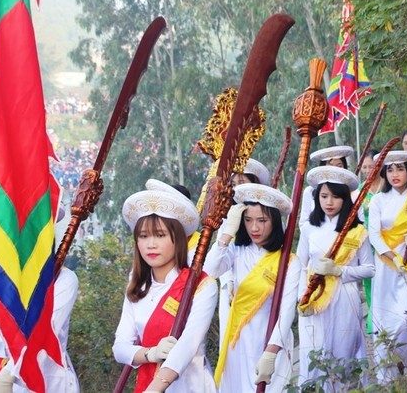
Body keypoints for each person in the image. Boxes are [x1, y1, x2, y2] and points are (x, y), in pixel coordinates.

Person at [114, 179, 218, 392]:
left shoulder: (202, 286)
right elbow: (120, 347)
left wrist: (156, 387)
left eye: (160, 235)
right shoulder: (136, 286)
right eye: (143, 236)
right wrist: (150, 353)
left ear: (177, 239)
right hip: (146, 381)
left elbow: (188, 345)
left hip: (189, 386)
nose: (150, 244)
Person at [203, 184, 299, 393]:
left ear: (274, 222)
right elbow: (209, 271)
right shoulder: (236, 252)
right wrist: (226, 233)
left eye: (262, 221)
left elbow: (287, 311)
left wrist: (272, 352)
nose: (254, 228)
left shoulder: (289, 262)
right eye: (248, 220)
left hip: (270, 342)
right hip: (237, 342)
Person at [0, 206, 79, 393]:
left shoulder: (64, 280)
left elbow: (44, 333)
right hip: (5, 376)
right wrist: (17, 342)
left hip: (50, 383)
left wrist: (11, 340)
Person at [296, 166, 374, 391]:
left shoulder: (357, 231)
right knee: (315, 354)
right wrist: (302, 298)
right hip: (314, 299)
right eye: (324, 196)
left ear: (345, 199)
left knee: (343, 356)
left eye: (336, 196)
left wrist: (341, 271)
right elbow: (300, 266)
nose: (329, 202)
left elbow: (370, 269)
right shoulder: (309, 228)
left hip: (345, 299)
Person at [367, 150, 407, 383]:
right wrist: (393, 257)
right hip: (386, 264)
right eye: (390, 169)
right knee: (385, 318)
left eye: (400, 169)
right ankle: (387, 374)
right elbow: (374, 235)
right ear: (384, 173)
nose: (395, 174)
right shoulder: (377, 200)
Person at [215, 159, 271, 349]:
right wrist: (229, 281)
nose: (238, 188)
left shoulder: (270, 214)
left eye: (243, 183)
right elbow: (219, 258)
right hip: (234, 290)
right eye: (234, 184)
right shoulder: (228, 217)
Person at [299, 146, 354, 231]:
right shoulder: (310, 191)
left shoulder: (353, 192)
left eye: (339, 166)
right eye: (324, 196)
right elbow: (304, 222)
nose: (335, 169)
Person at [358, 149, 383, 334]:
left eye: (371, 166)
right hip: (366, 243)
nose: (368, 170)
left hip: (386, 240)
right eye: (365, 167)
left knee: (384, 280)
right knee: (369, 282)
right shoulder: (360, 190)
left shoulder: (386, 186)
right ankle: (372, 321)